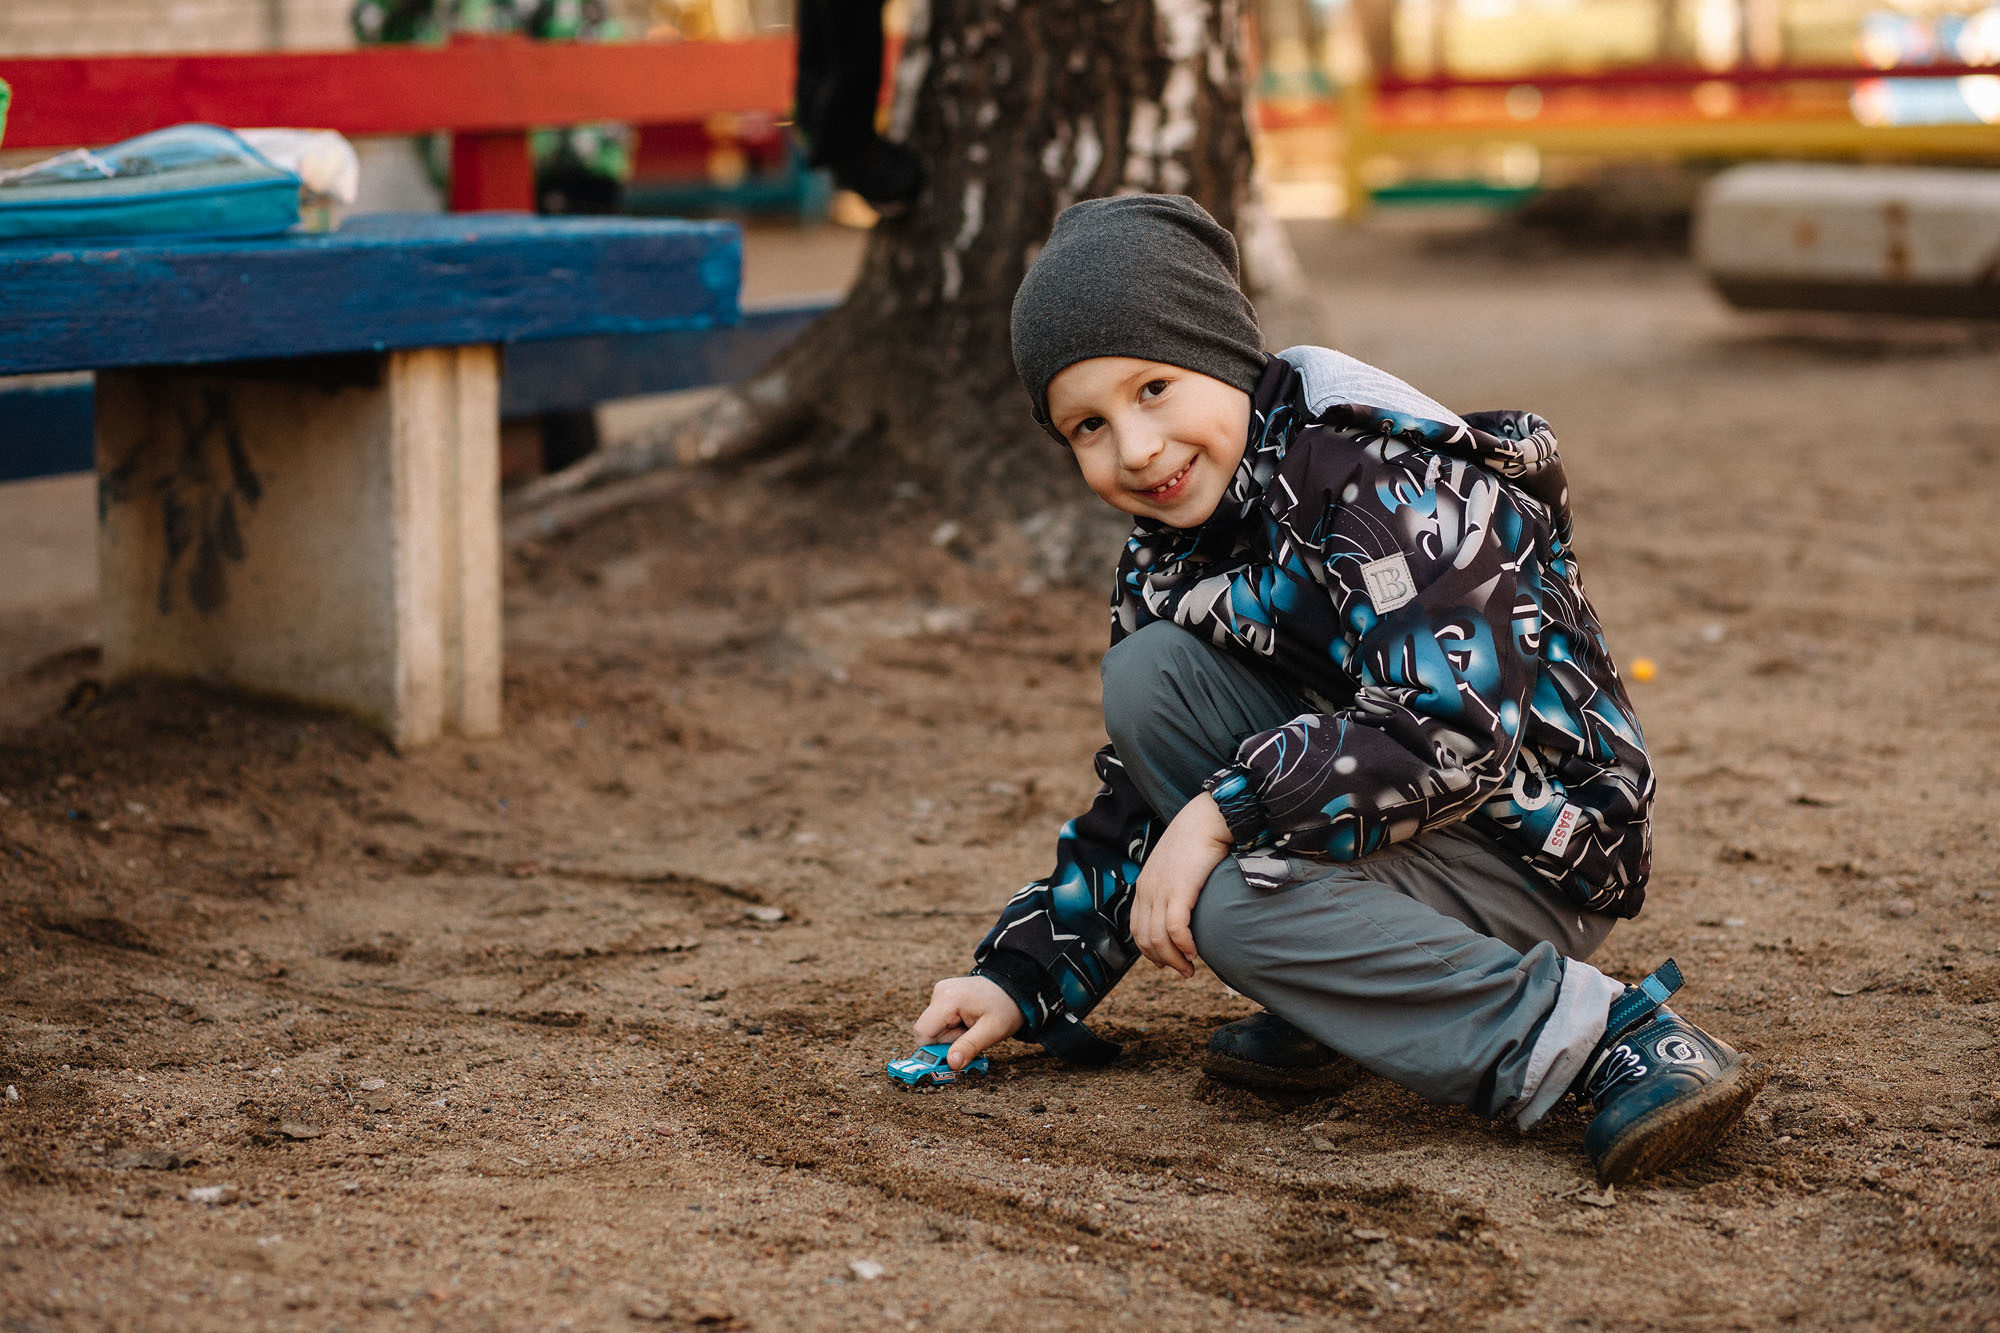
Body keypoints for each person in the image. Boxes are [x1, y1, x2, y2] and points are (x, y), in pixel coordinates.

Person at [911, 194, 1764, 1184]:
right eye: (1086, 426)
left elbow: (1448, 728)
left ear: (1223, 353)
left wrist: (1227, 811)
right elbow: (1143, 797)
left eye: (1152, 389)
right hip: (1392, 838)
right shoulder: (1164, 559)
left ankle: (1608, 1036)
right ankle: (1355, 997)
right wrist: (1020, 973)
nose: (1134, 448)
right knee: (1149, 677)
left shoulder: (1383, 480)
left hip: (1531, 850)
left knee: (1229, 906)